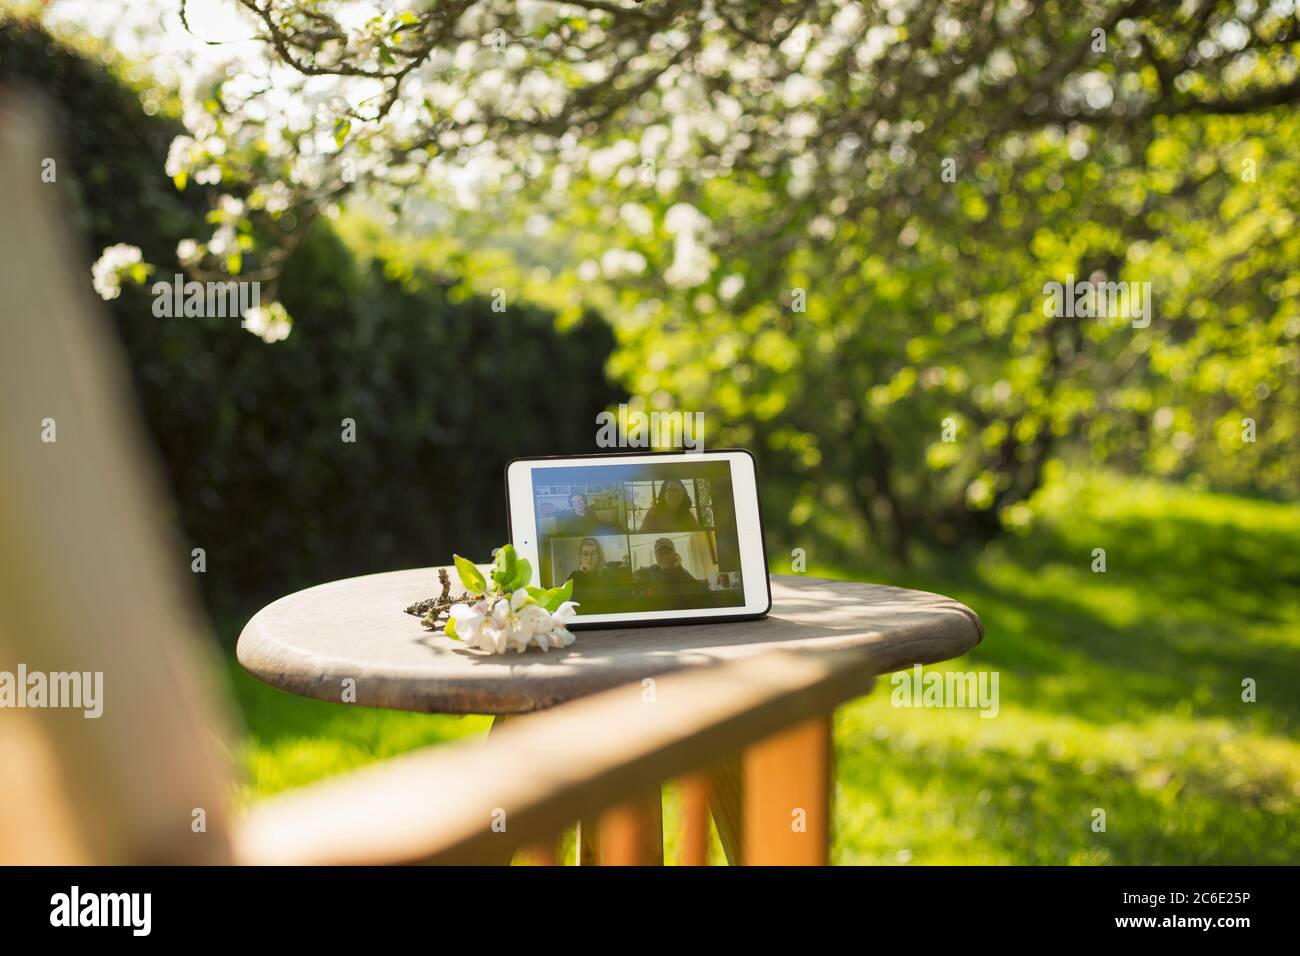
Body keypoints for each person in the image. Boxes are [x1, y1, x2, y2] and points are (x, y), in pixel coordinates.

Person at [636, 538, 707, 595]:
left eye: (668, 552)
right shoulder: (646, 571)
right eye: (660, 553)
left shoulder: (681, 572)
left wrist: (679, 567)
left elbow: (699, 589)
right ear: (655, 555)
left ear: (675, 555)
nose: (664, 556)